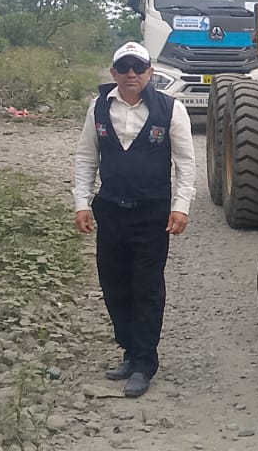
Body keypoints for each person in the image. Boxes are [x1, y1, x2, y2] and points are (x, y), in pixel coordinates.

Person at [72, 41, 197, 397]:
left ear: (149, 72)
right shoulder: (98, 107)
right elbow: (86, 157)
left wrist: (181, 206)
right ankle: (129, 350)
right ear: (114, 72)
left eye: (138, 67)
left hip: (152, 214)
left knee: (147, 287)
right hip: (110, 210)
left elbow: (185, 162)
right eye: (124, 67)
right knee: (114, 284)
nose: (131, 74)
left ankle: (144, 362)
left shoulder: (171, 109)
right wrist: (82, 203)